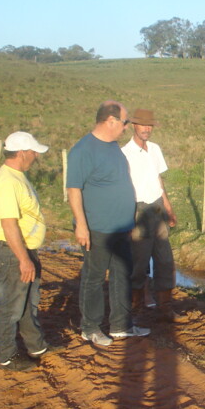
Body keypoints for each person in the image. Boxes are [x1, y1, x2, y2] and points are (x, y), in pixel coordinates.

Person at [66, 101, 150, 346]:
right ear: (111, 121)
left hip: (121, 227)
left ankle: (121, 325)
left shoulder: (113, 147)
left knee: (122, 275)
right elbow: (74, 190)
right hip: (97, 228)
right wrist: (81, 226)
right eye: (125, 122)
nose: (126, 127)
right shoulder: (83, 150)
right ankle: (90, 328)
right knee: (94, 277)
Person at [0, 131, 55, 370]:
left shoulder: (16, 176)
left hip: (24, 250)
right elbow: (9, 224)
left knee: (27, 303)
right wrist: (23, 259)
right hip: (12, 253)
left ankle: (36, 345)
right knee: (9, 307)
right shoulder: (7, 181)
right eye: (34, 152)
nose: (36, 156)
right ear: (23, 152)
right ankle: (7, 356)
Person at [122, 108, 178, 321]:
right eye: (142, 125)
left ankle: (165, 308)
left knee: (165, 259)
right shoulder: (124, 154)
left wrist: (168, 207)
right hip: (138, 211)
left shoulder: (155, 149)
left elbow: (158, 180)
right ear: (134, 126)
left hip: (157, 208)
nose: (146, 128)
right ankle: (135, 311)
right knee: (139, 261)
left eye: (149, 125)